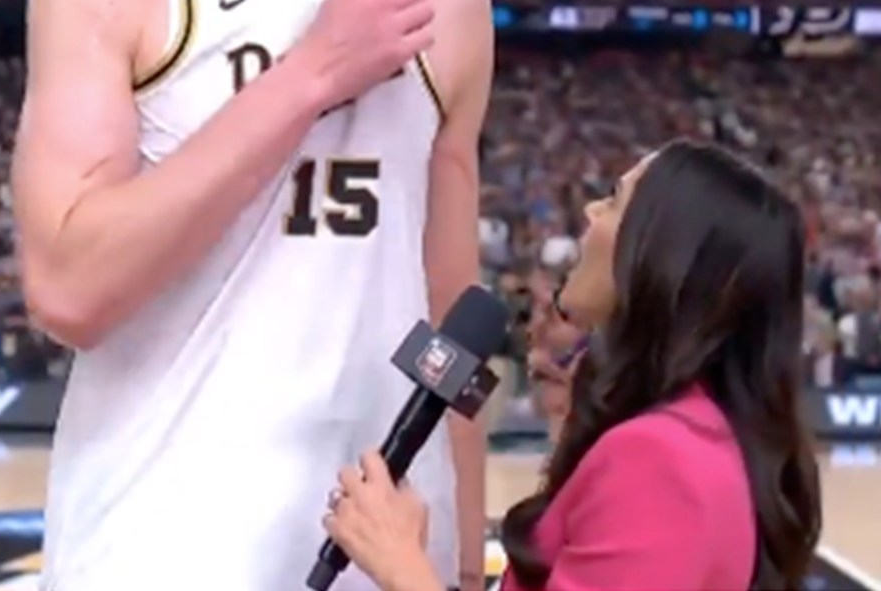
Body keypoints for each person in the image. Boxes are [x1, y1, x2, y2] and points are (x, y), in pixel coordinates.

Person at [11, 0, 492, 591]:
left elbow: (453, 333)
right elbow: (71, 289)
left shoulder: (450, 2)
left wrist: (463, 566)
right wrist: (309, 72)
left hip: (380, 550)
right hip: (157, 539)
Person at [320, 139, 823, 591]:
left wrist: (400, 565)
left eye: (615, 199)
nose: (590, 211)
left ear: (661, 252)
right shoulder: (696, 436)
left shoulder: (661, 460)